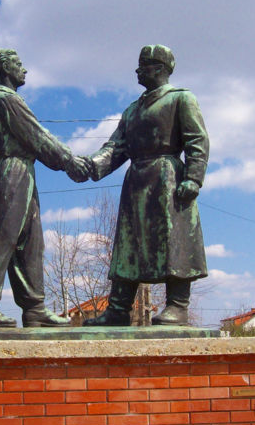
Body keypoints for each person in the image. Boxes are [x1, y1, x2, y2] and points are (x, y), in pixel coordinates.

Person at [84, 44, 209, 326]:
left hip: (168, 179)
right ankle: (118, 308)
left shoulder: (181, 98)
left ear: (161, 69)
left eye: (144, 66)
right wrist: (91, 166)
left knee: (174, 240)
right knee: (128, 244)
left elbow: (197, 140)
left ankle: (177, 304)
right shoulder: (132, 110)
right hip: (136, 180)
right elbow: (116, 147)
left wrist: (193, 177)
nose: (138, 71)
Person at [0, 48, 91, 329]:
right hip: (12, 171)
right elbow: (37, 136)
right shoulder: (5, 100)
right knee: (2, 236)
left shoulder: (8, 100)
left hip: (24, 172)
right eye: (18, 64)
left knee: (31, 242)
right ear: (4, 69)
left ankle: (34, 307)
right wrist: (70, 161)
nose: (24, 69)